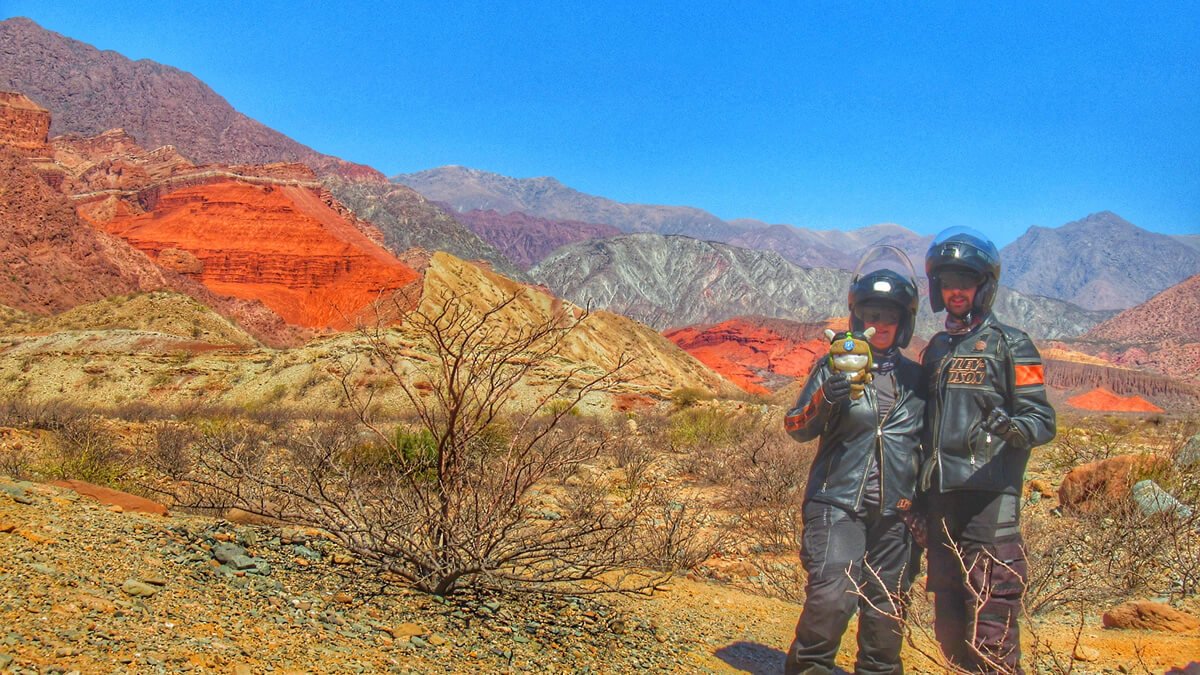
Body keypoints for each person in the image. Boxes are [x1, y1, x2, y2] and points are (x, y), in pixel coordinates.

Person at [920, 227, 1056, 673]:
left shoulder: (1012, 344)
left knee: (992, 611)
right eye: (947, 281)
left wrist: (1010, 428)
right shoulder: (936, 349)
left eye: (965, 280)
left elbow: (1042, 421)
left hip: (990, 497)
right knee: (949, 616)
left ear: (984, 285)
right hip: (941, 499)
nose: (955, 290)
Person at [783, 266, 925, 675]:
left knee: (887, 606)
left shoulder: (917, 380)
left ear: (904, 322)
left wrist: (925, 507)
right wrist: (826, 398)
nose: (880, 325)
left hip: (897, 511)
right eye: (871, 316)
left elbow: (931, 446)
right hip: (837, 501)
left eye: (890, 317)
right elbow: (796, 427)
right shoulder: (833, 366)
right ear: (857, 319)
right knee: (834, 594)